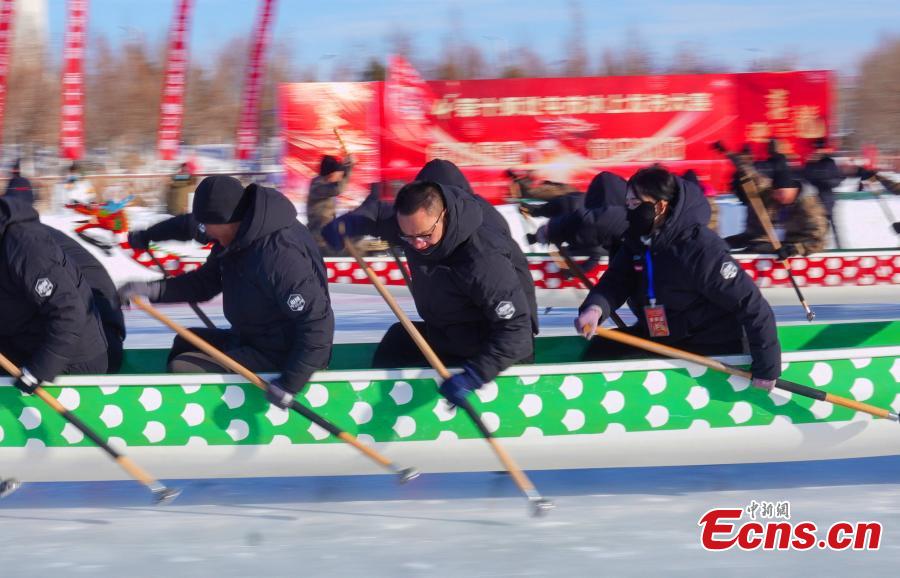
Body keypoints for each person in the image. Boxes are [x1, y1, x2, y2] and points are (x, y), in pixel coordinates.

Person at [118, 176, 334, 409]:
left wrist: (290, 383)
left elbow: (318, 323)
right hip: (253, 337)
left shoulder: (278, 257)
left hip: (284, 354)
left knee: (184, 367)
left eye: (207, 227)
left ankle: (197, 426)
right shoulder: (236, 229)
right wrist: (152, 287)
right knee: (185, 342)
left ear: (223, 220)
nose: (205, 234)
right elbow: (204, 279)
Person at [322, 175, 537, 407]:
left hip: (489, 347)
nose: (417, 244)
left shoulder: (482, 259)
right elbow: (378, 214)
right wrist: (350, 224)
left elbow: (517, 332)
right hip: (451, 332)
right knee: (398, 340)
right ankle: (376, 410)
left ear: (443, 215)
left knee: (406, 342)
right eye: (409, 237)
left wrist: (475, 375)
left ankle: (398, 414)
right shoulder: (416, 225)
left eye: (424, 236)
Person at [574, 165, 781, 391]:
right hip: (663, 335)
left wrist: (766, 369)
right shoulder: (637, 240)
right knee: (602, 350)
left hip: (710, 343)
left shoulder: (700, 249)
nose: (629, 211)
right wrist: (595, 307)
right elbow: (616, 280)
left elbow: (751, 304)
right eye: (628, 204)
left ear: (661, 206)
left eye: (636, 204)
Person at [3, 178, 125, 372]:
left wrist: (41, 369)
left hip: (93, 329)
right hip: (55, 327)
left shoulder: (27, 247)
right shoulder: (13, 236)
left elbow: (69, 310)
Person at [725, 158, 828, 258]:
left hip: (802, 250)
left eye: (779, 193)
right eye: (775, 193)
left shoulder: (810, 207)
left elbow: (819, 241)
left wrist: (795, 249)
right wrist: (737, 163)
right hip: (782, 242)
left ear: (792, 189)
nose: (776, 197)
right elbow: (757, 180)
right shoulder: (777, 195)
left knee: (760, 248)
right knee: (753, 246)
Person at [307, 154, 353, 256]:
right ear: (330, 174)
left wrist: (346, 165)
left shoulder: (322, 183)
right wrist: (348, 168)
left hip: (326, 235)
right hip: (319, 239)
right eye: (336, 174)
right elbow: (337, 189)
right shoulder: (317, 185)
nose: (339, 177)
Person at [802, 138, 844, 247]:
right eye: (816, 148)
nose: (818, 151)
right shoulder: (810, 163)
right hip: (811, 198)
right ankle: (816, 248)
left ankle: (838, 248)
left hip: (827, 198)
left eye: (820, 148)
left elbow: (837, 179)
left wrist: (826, 182)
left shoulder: (829, 162)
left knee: (830, 226)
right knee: (814, 228)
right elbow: (805, 178)